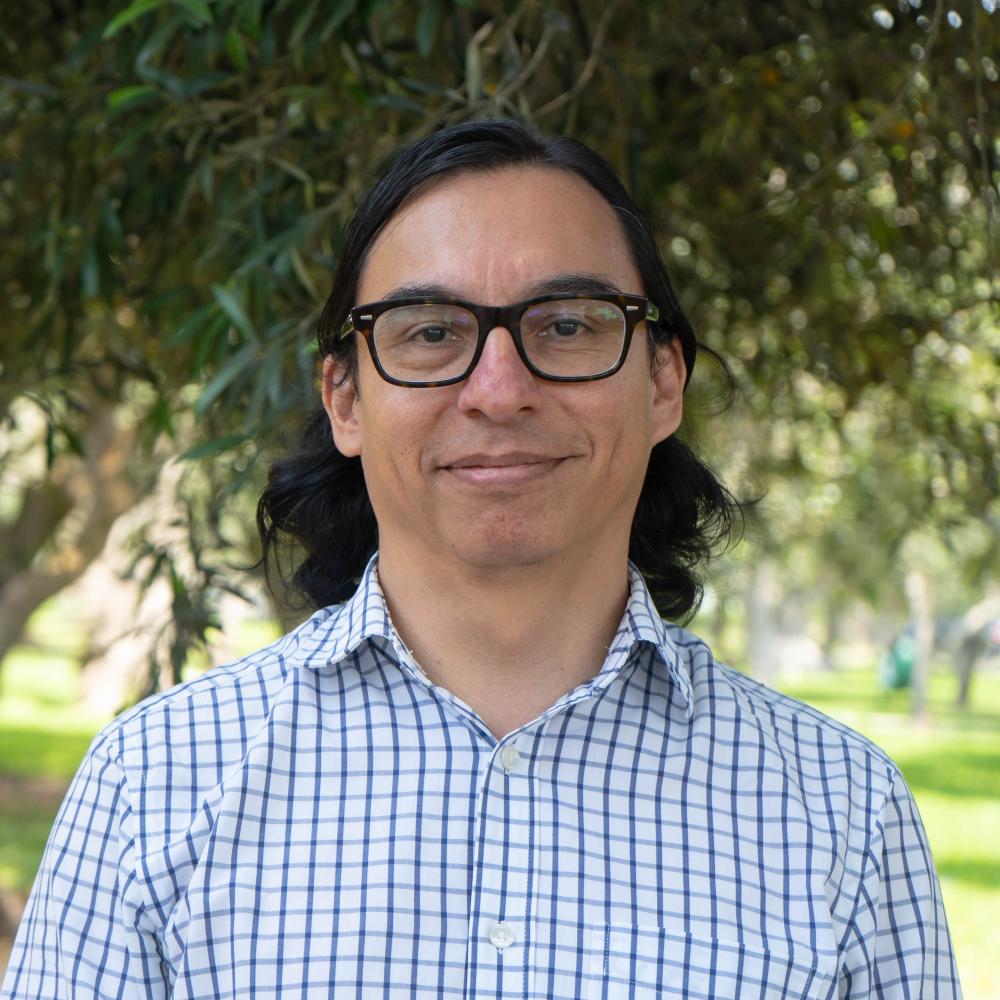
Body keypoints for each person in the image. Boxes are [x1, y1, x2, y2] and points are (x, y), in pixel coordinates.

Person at [2, 120, 960, 999]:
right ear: (344, 398)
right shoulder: (153, 787)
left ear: (663, 380)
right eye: (430, 334)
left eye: (569, 325)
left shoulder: (845, 815)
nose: (499, 390)